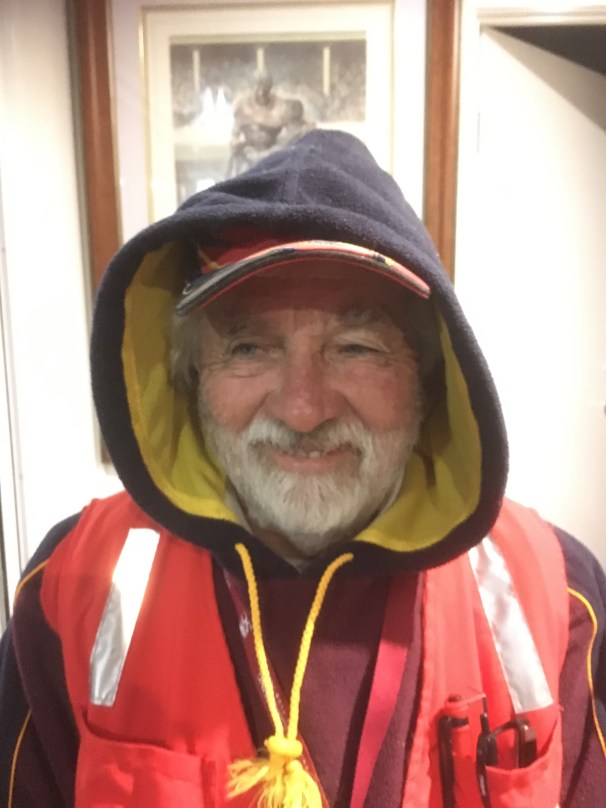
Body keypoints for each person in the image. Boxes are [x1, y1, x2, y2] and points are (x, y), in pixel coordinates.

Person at [0, 130, 604, 808]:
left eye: (357, 347)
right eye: (249, 348)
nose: (304, 409)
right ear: (192, 377)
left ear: (431, 381)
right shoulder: (72, 586)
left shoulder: (556, 594)